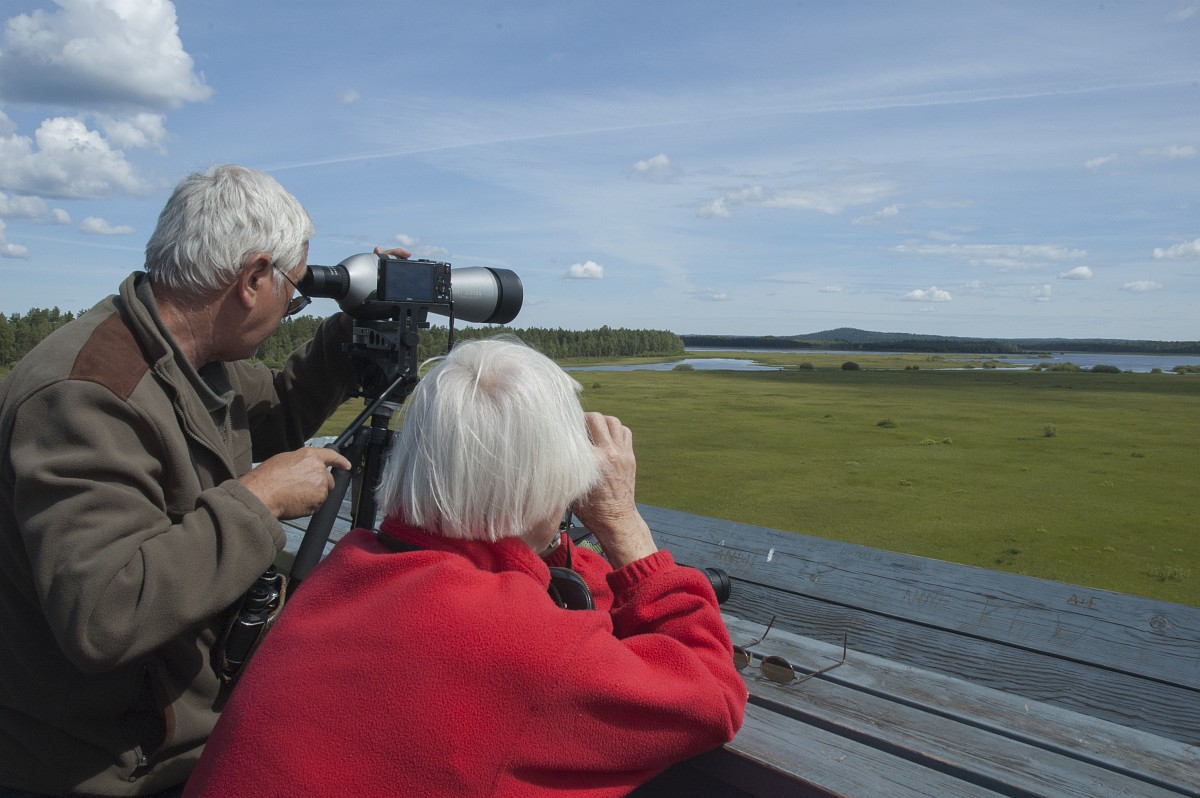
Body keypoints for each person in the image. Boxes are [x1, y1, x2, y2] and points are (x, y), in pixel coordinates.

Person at [183, 337, 748, 798]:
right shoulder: (521, 645)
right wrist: (621, 522)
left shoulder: (353, 565)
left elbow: (535, 581)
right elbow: (712, 696)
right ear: (552, 480)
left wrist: (551, 537)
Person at [0, 164, 405, 796]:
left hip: (162, 739)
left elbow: (276, 411)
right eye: (292, 291)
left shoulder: (186, 356)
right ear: (252, 279)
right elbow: (102, 612)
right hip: (102, 767)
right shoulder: (87, 396)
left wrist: (354, 327)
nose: (288, 307)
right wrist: (259, 501)